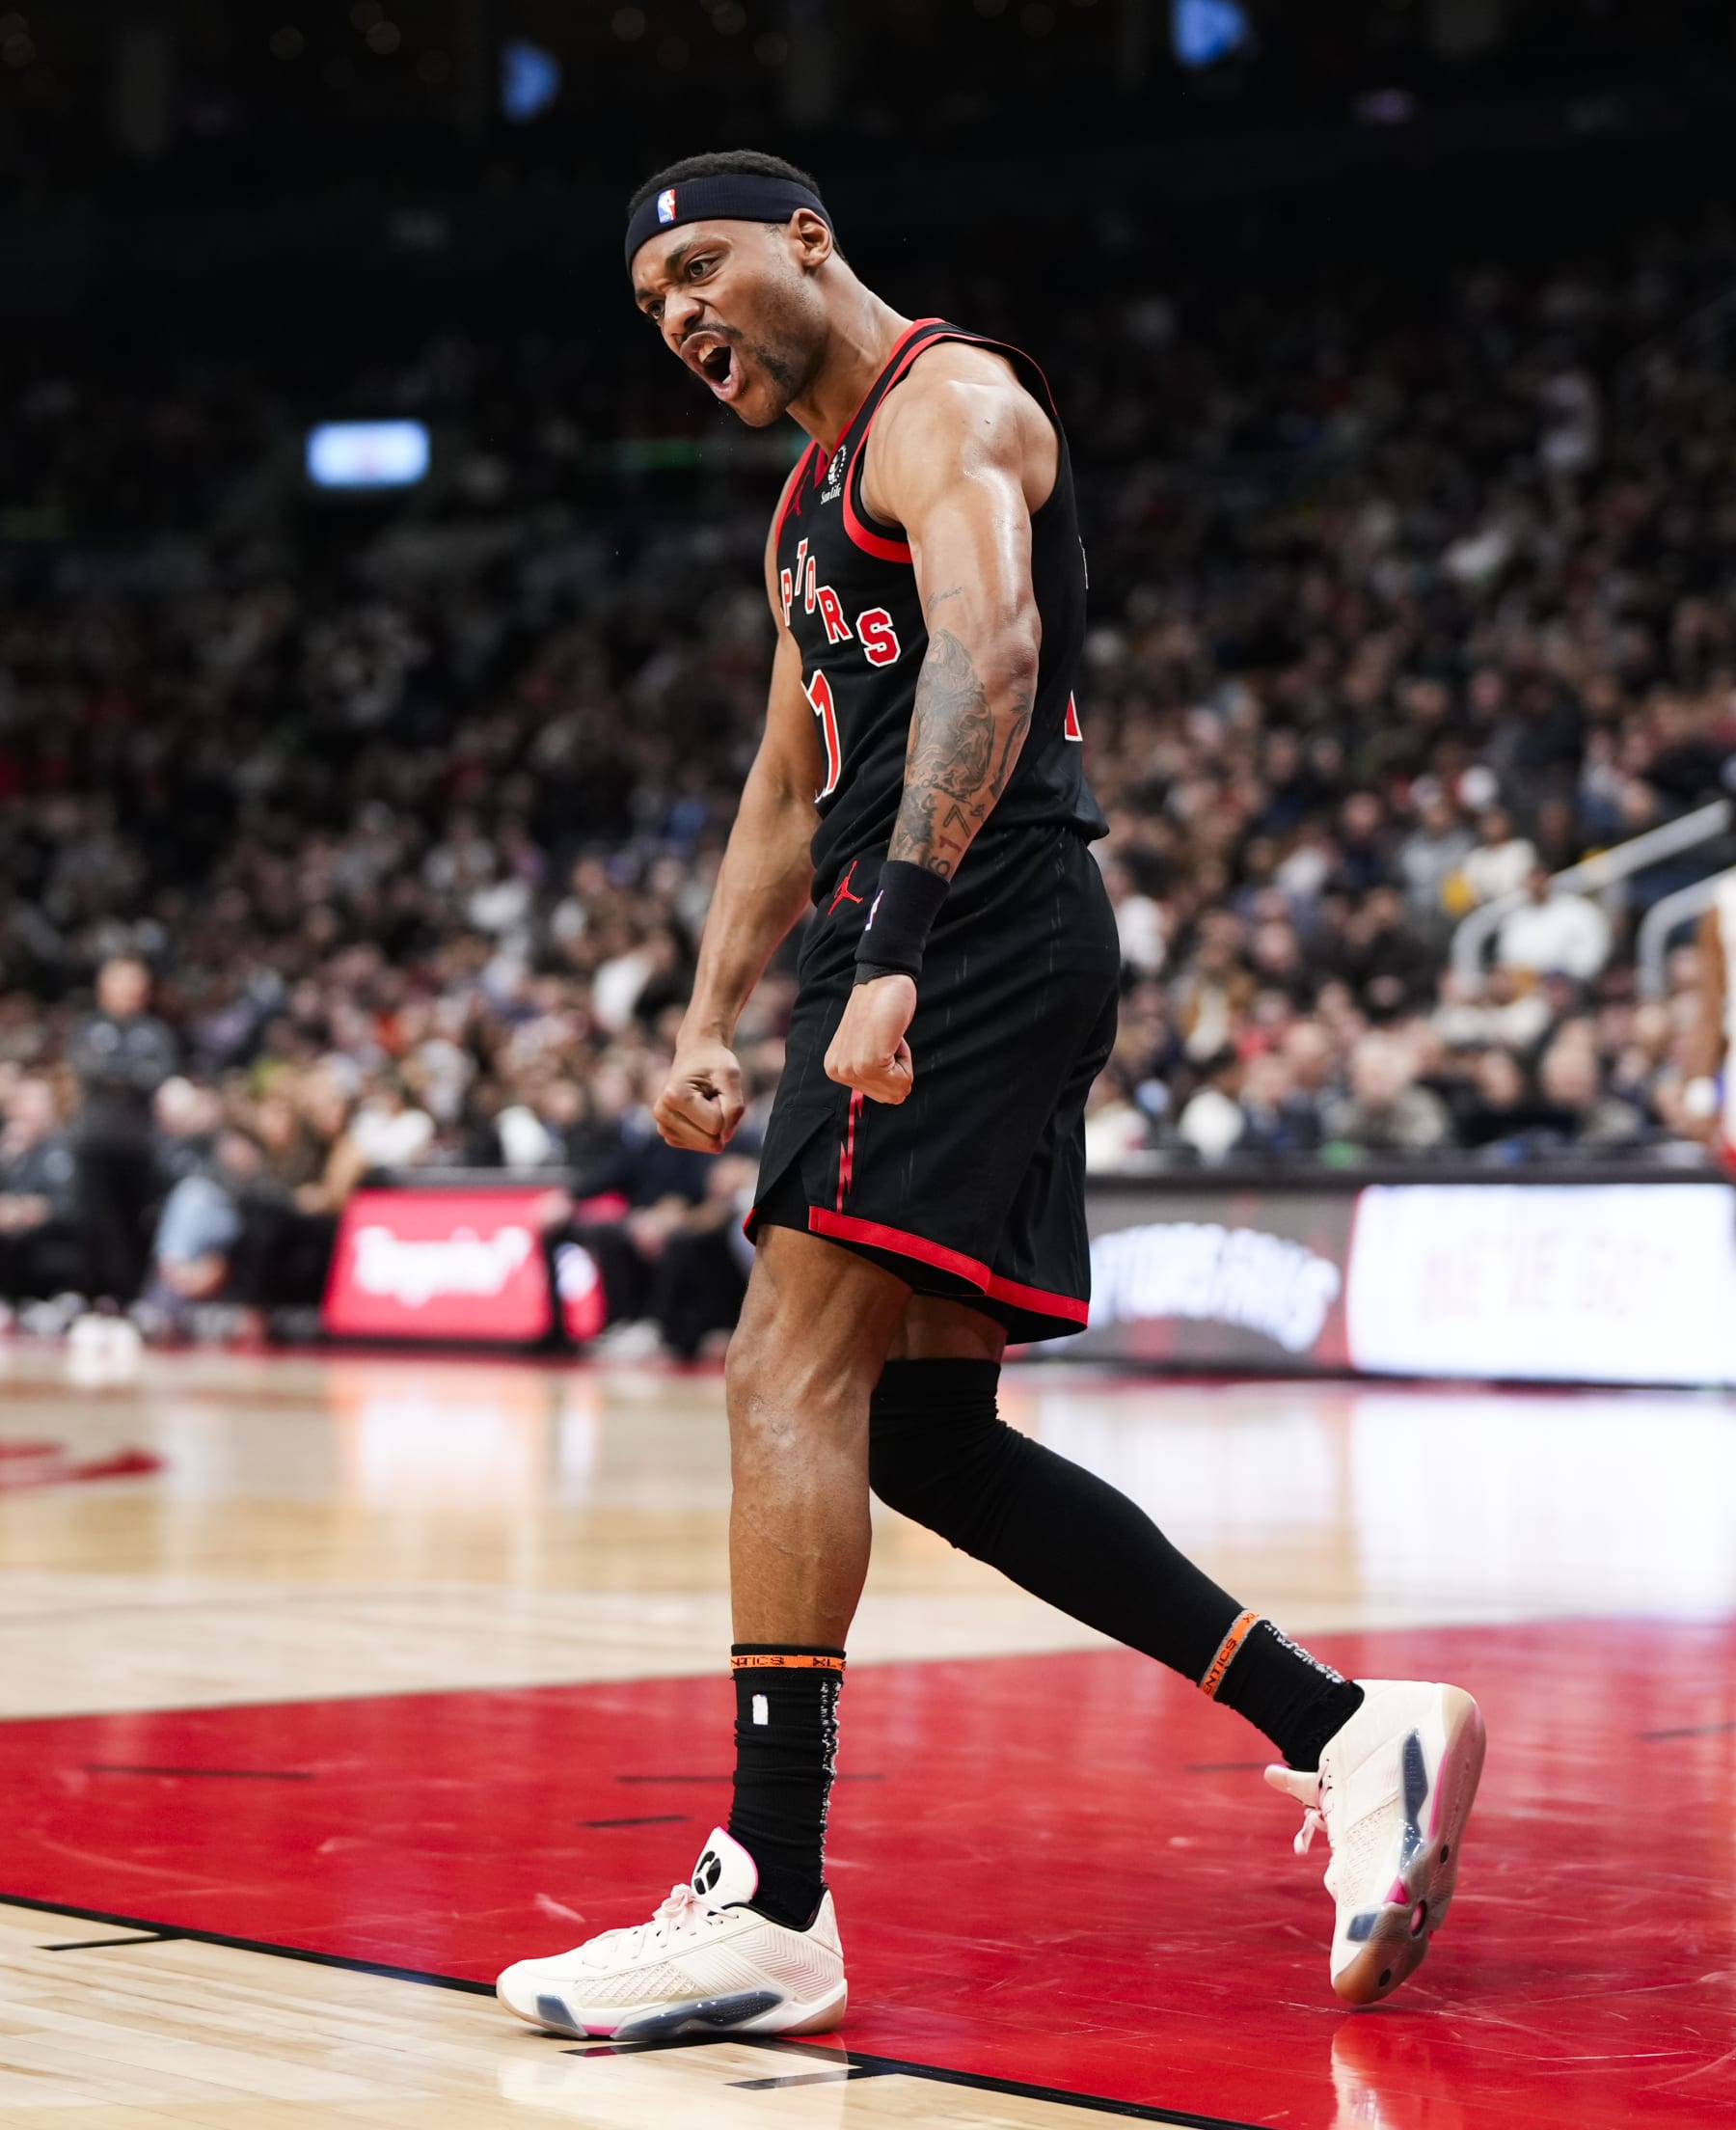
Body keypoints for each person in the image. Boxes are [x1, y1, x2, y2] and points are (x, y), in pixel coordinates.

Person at [496, 150, 1485, 2042]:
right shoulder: (802, 506)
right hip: (934, 931)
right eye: (650, 305)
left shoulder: (950, 405)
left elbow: (994, 649)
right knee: (926, 1437)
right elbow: (784, 783)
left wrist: (892, 949)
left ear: (807, 242)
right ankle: (1353, 1729)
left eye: (701, 270)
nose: (680, 318)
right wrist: (705, 1010)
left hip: (966, 921)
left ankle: (772, 1891)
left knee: (784, 1369)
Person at [68, 956, 177, 1306]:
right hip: (94, 1143)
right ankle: (92, 1300)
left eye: (137, 982)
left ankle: (129, 1301)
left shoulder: (156, 1032)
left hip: (138, 1147)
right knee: (95, 1224)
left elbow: (157, 1075)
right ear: (103, 987)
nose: (131, 989)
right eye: (122, 981)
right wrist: (129, 1075)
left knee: (135, 1226)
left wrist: (118, 1075)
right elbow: (89, 1068)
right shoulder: (88, 1028)